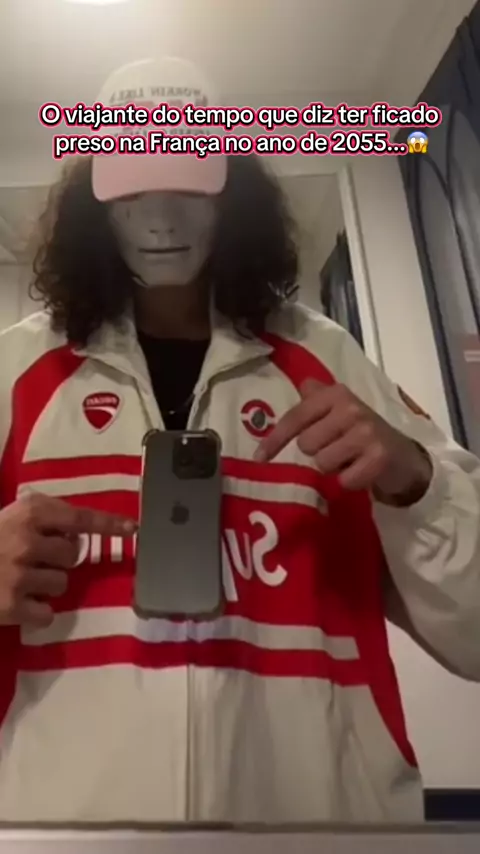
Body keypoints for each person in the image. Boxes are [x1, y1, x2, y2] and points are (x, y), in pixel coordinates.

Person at [0, 56, 479, 825]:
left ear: (232, 195)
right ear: (95, 204)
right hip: (56, 835)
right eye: (134, 194)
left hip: (320, 835)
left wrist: (415, 480)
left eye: (188, 190)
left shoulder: (327, 358)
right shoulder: (15, 369)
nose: (161, 222)